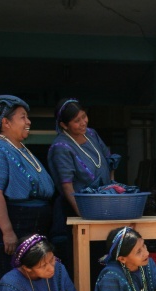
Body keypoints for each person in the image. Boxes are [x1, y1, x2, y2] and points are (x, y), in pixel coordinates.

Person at [0, 95, 56, 291]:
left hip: (31, 223)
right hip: (14, 223)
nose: (28, 122)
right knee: (7, 275)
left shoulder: (20, 148)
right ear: (6, 122)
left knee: (31, 276)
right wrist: (7, 231)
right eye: (23, 117)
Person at [47, 98, 120, 275]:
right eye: (76, 121)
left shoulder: (92, 134)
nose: (83, 123)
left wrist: (112, 186)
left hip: (103, 205)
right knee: (86, 257)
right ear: (64, 125)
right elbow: (67, 186)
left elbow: (109, 161)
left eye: (84, 116)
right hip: (78, 208)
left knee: (106, 250)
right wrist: (83, 216)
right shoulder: (61, 147)